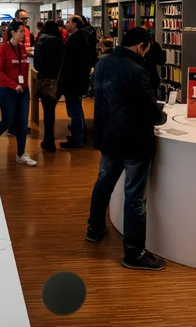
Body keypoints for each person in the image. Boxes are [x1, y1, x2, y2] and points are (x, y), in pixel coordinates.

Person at [87, 27, 167, 270]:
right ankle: (133, 253)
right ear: (141, 46)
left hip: (108, 137)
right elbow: (147, 108)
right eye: (147, 49)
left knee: (104, 182)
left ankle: (94, 227)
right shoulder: (136, 70)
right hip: (133, 140)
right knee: (134, 195)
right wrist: (160, 115)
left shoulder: (102, 64)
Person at [0, 21, 37, 166]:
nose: (24, 34)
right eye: (21, 31)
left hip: (23, 90)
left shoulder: (22, 48)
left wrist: (22, 85)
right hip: (7, 90)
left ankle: (21, 154)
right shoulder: (4, 48)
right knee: (7, 121)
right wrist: (13, 85)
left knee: (22, 123)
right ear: (13, 32)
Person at [58, 15, 92, 150]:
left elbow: (70, 62)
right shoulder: (82, 37)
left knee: (75, 109)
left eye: (68, 22)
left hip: (73, 81)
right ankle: (79, 135)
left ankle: (78, 138)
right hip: (77, 80)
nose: (65, 25)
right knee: (76, 108)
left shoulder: (76, 39)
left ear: (75, 24)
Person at [34, 21, 64, 152]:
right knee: (51, 109)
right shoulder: (61, 42)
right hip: (58, 81)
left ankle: (49, 140)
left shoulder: (41, 42)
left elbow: (37, 65)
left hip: (45, 81)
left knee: (48, 111)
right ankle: (49, 140)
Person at [141, 27, 165, 97]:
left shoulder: (139, 46)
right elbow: (161, 61)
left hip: (145, 75)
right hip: (153, 75)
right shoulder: (155, 45)